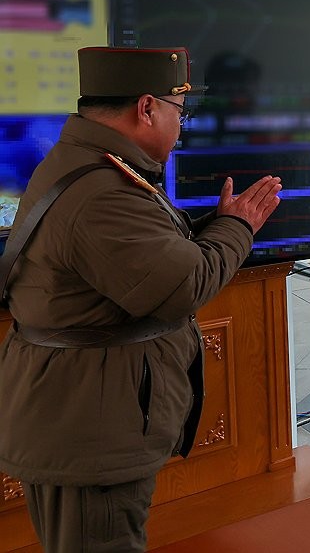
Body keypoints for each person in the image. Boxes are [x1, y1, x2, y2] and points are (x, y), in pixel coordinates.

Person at [0, 47, 283, 553]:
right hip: (92, 434)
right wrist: (239, 227)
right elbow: (183, 286)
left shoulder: (94, 167)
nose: (182, 127)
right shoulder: (103, 194)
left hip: (85, 418)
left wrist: (218, 225)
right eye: (179, 113)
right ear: (147, 108)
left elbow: (152, 256)